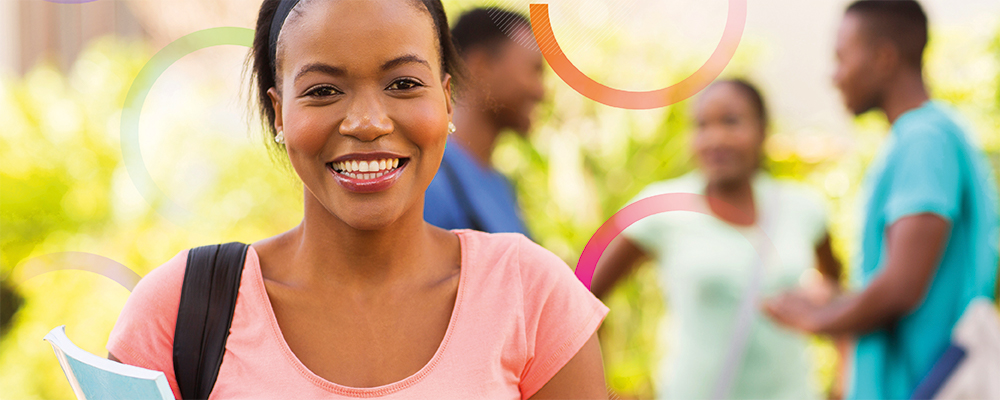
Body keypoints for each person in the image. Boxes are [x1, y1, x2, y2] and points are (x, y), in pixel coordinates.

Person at [105, 1, 608, 398]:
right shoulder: (179, 312)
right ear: (279, 112)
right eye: (323, 90)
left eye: (405, 84)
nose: (367, 122)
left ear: (448, 97)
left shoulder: (531, 296)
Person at [764, 1, 1000, 399]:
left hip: (926, 384)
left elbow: (901, 287)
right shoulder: (929, 135)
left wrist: (817, 318)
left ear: (884, 58)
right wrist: (837, 301)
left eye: (841, 58)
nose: (834, 76)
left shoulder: (923, 139)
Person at [590, 79, 843, 399]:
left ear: (763, 130)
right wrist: (600, 391)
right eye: (702, 126)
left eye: (731, 122)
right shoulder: (661, 209)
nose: (715, 138)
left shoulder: (802, 207)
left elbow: (840, 298)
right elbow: (582, 298)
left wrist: (842, 381)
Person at [423, 7, 545, 235]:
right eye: (534, 71)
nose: (541, 92)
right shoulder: (429, 181)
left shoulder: (501, 187)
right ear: (480, 66)